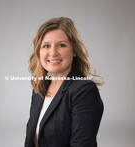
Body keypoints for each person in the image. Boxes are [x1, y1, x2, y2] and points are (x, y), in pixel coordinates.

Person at [24, 17, 104, 147]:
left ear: (74, 51)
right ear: (39, 52)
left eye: (61, 45)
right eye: (46, 46)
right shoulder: (40, 87)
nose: (53, 52)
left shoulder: (84, 91)